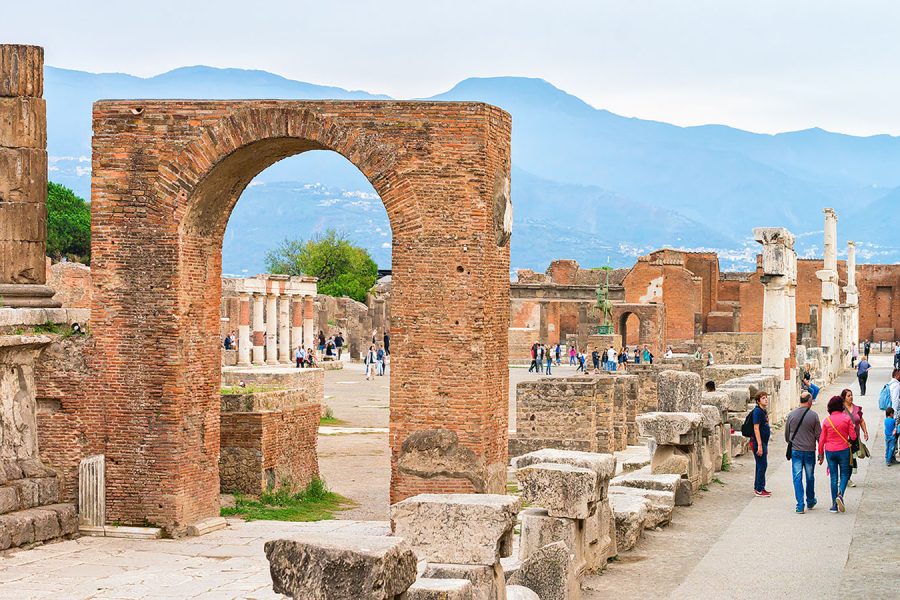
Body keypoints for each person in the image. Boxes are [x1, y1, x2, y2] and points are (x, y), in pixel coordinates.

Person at [818, 395, 857, 513]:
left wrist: (820, 455)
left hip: (830, 450)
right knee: (844, 474)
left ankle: (834, 505)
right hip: (843, 449)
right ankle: (840, 494)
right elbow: (854, 436)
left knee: (833, 477)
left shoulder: (827, 420)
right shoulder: (846, 419)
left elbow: (821, 440)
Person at [784, 391, 821, 513]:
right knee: (810, 477)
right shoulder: (814, 416)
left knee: (797, 477)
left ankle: (800, 505)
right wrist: (821, 452)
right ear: (809, 401)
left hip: (796, 451)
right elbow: (818, 436)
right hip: (810, 450)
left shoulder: (791, 415)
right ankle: (810, 500)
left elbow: (787, 436)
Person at [841, 388, 869, 487]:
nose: (851, 397)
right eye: (848, 396)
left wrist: (865, 432)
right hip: (843, 439)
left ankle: (847, 478)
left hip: (854, 438)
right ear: (844, 397)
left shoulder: (857, 409)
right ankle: (845, 478)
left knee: (852, 459)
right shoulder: (840, 409)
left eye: (851, 395)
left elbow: (861, 421)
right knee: (845, 459)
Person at [751, 391, 772, 497]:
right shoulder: (757, 412)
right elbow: (756, 428)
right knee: (762, 464)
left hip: (763, 441)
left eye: (766, 398)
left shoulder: (763, 411)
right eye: (763, 398)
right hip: (758, 442)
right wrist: (759, 445)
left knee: (760, 464)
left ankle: (759, 487)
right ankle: (759, 489)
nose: (766, 400)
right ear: (758, 401)